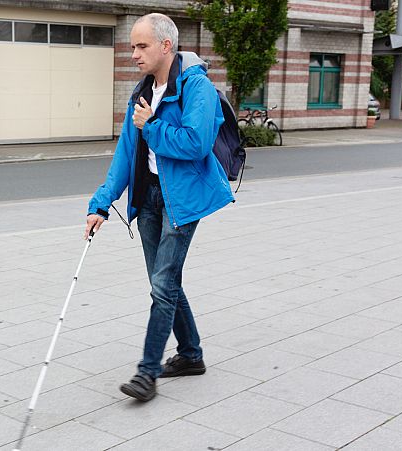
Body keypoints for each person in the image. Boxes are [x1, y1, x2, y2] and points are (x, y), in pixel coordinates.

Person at [85, 13, 234, 402]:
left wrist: (151, 125)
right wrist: (101, 204)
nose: (133, 54)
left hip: (182, 199)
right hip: (148, 197)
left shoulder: (195, 87)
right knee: (164, 283)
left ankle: (146, 374)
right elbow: (126, 153)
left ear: (165, 46)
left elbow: (195, 144)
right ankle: (191, 355)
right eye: (132, 46)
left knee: (163, 286)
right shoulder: (142, 92)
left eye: (141, 46)